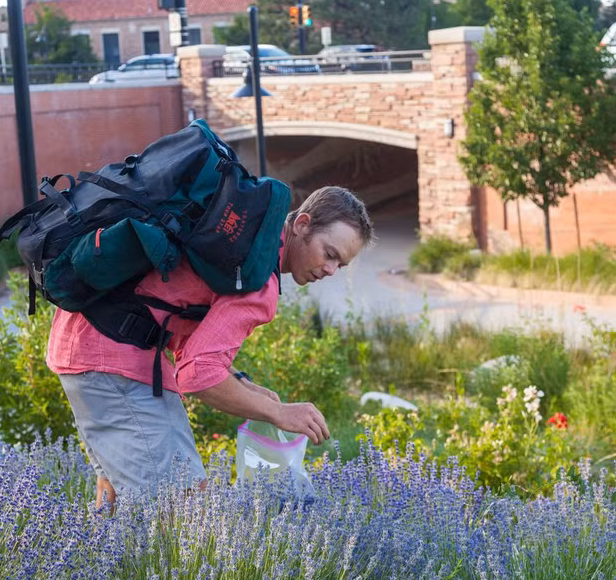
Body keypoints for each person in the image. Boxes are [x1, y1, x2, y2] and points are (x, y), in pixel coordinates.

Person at [46, 186, 375, 510]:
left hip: (82, 342)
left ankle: (96, 561)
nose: (331, 270)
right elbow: (196, 375)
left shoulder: (246, 238)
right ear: (302, 224)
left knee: (115, 499)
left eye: (340, 265)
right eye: (330, 254)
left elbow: (183, 328)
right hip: (113, 361)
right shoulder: (258, 278)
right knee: (185, 511)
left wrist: (244, 384)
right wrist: (279, 413)